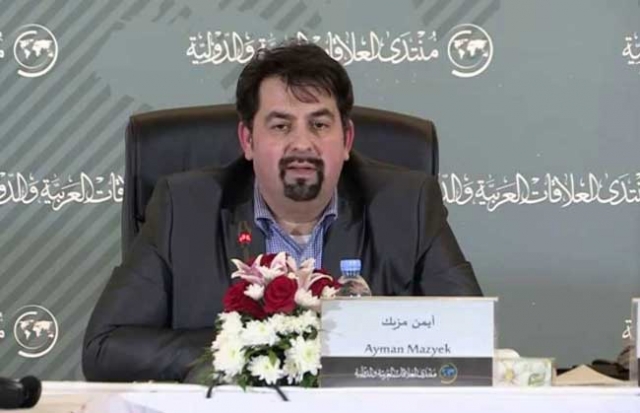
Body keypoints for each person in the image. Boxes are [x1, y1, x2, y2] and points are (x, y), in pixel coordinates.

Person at [82, 41, 482, 382]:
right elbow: (106, 347)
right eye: (280, 126)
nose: (302, 144)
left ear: (346, 140)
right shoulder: (184, 209)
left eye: (319, 125)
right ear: (248, 140)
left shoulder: (407, 204)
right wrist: (261, 346)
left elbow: (471, 340)